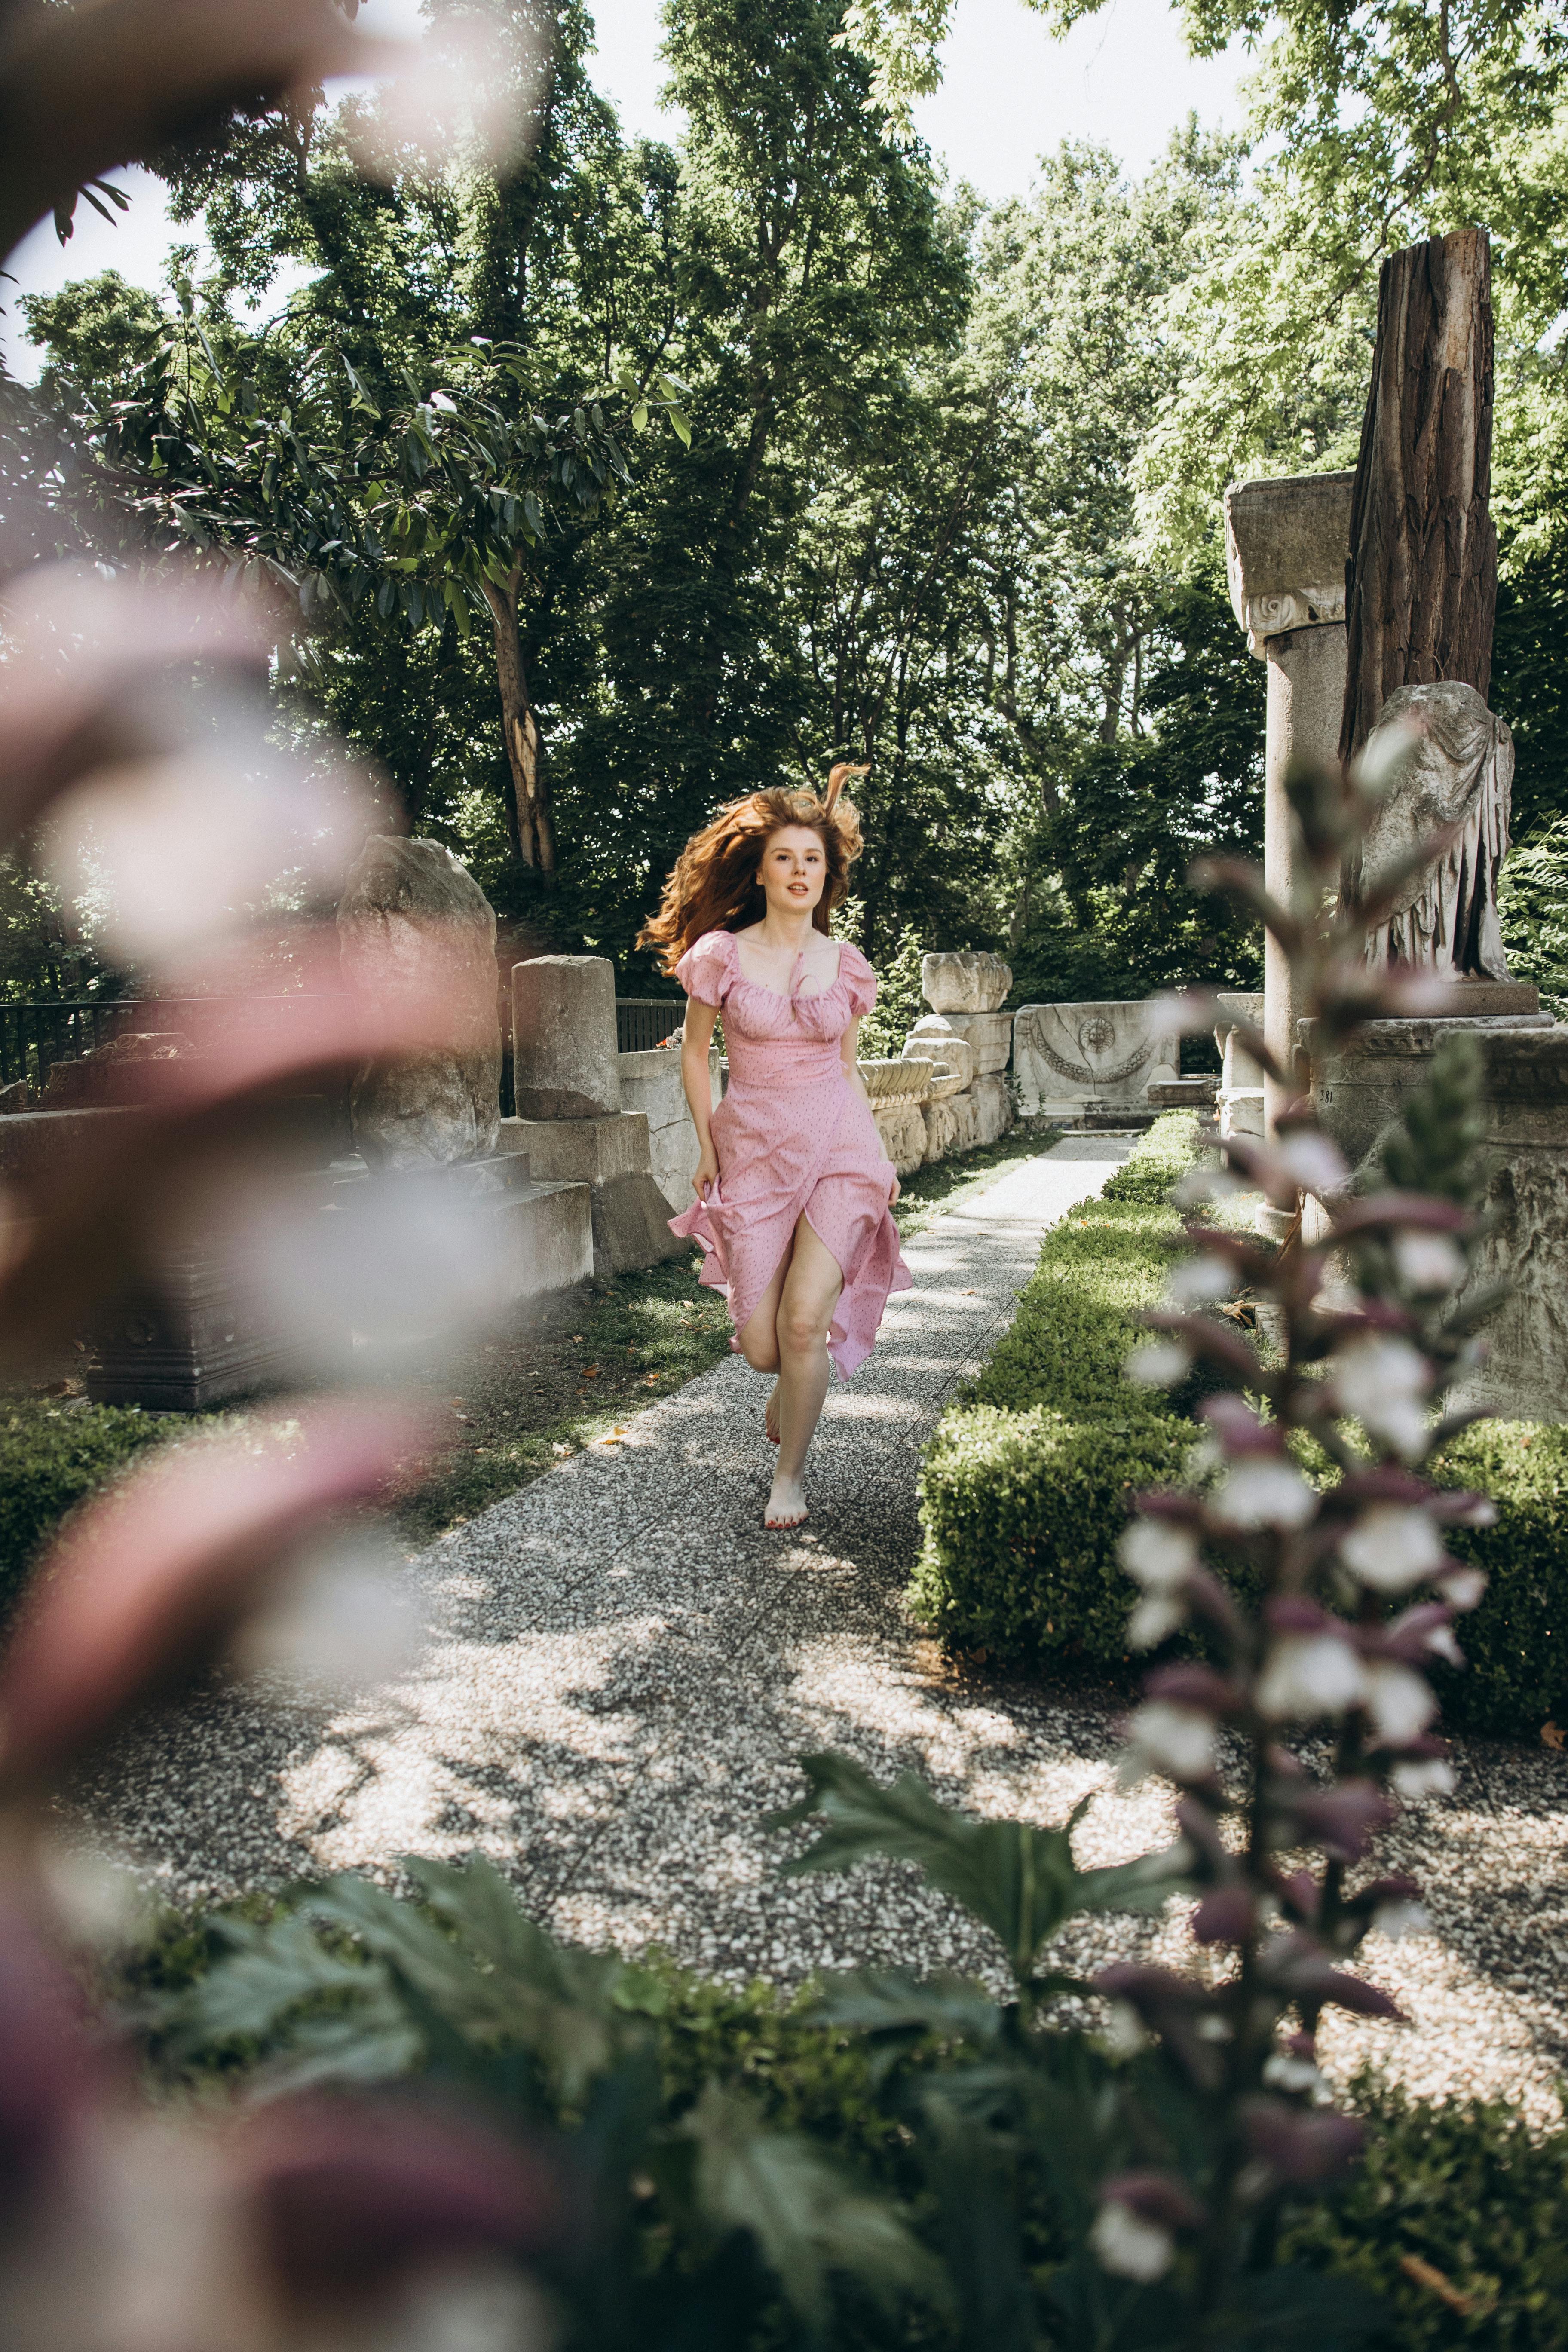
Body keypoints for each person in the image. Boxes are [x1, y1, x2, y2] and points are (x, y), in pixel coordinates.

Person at [637, 767, 911, 1530]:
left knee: (802, 1325)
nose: (800, 872)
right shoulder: (720, 956)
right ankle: (788, 1380)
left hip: (840, 1150)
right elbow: (696, 1054)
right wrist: (705, 1141)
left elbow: (850, 1068)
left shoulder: (846, 964)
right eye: (786, 858)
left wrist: (881, 1158)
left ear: (830, 874)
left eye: (813, 860)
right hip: (754, 1147)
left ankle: (789, 1476)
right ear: (759, 870)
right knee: (764, 1345)